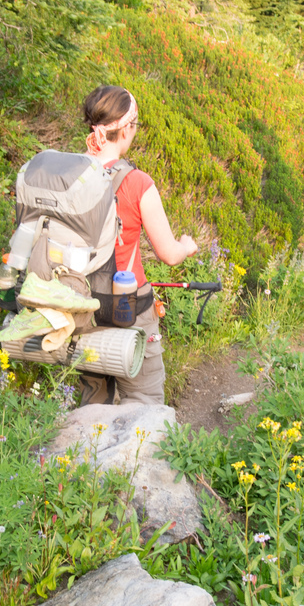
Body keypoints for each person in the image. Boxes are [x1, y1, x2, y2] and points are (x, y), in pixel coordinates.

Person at [78, 85, 198, 405]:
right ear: (126, 129)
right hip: (128, 309)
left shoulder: (71, 175)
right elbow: (169, 254)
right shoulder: (137, 183)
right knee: (144, 403)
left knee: (93, 402)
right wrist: (187, 246)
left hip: (82, 307)